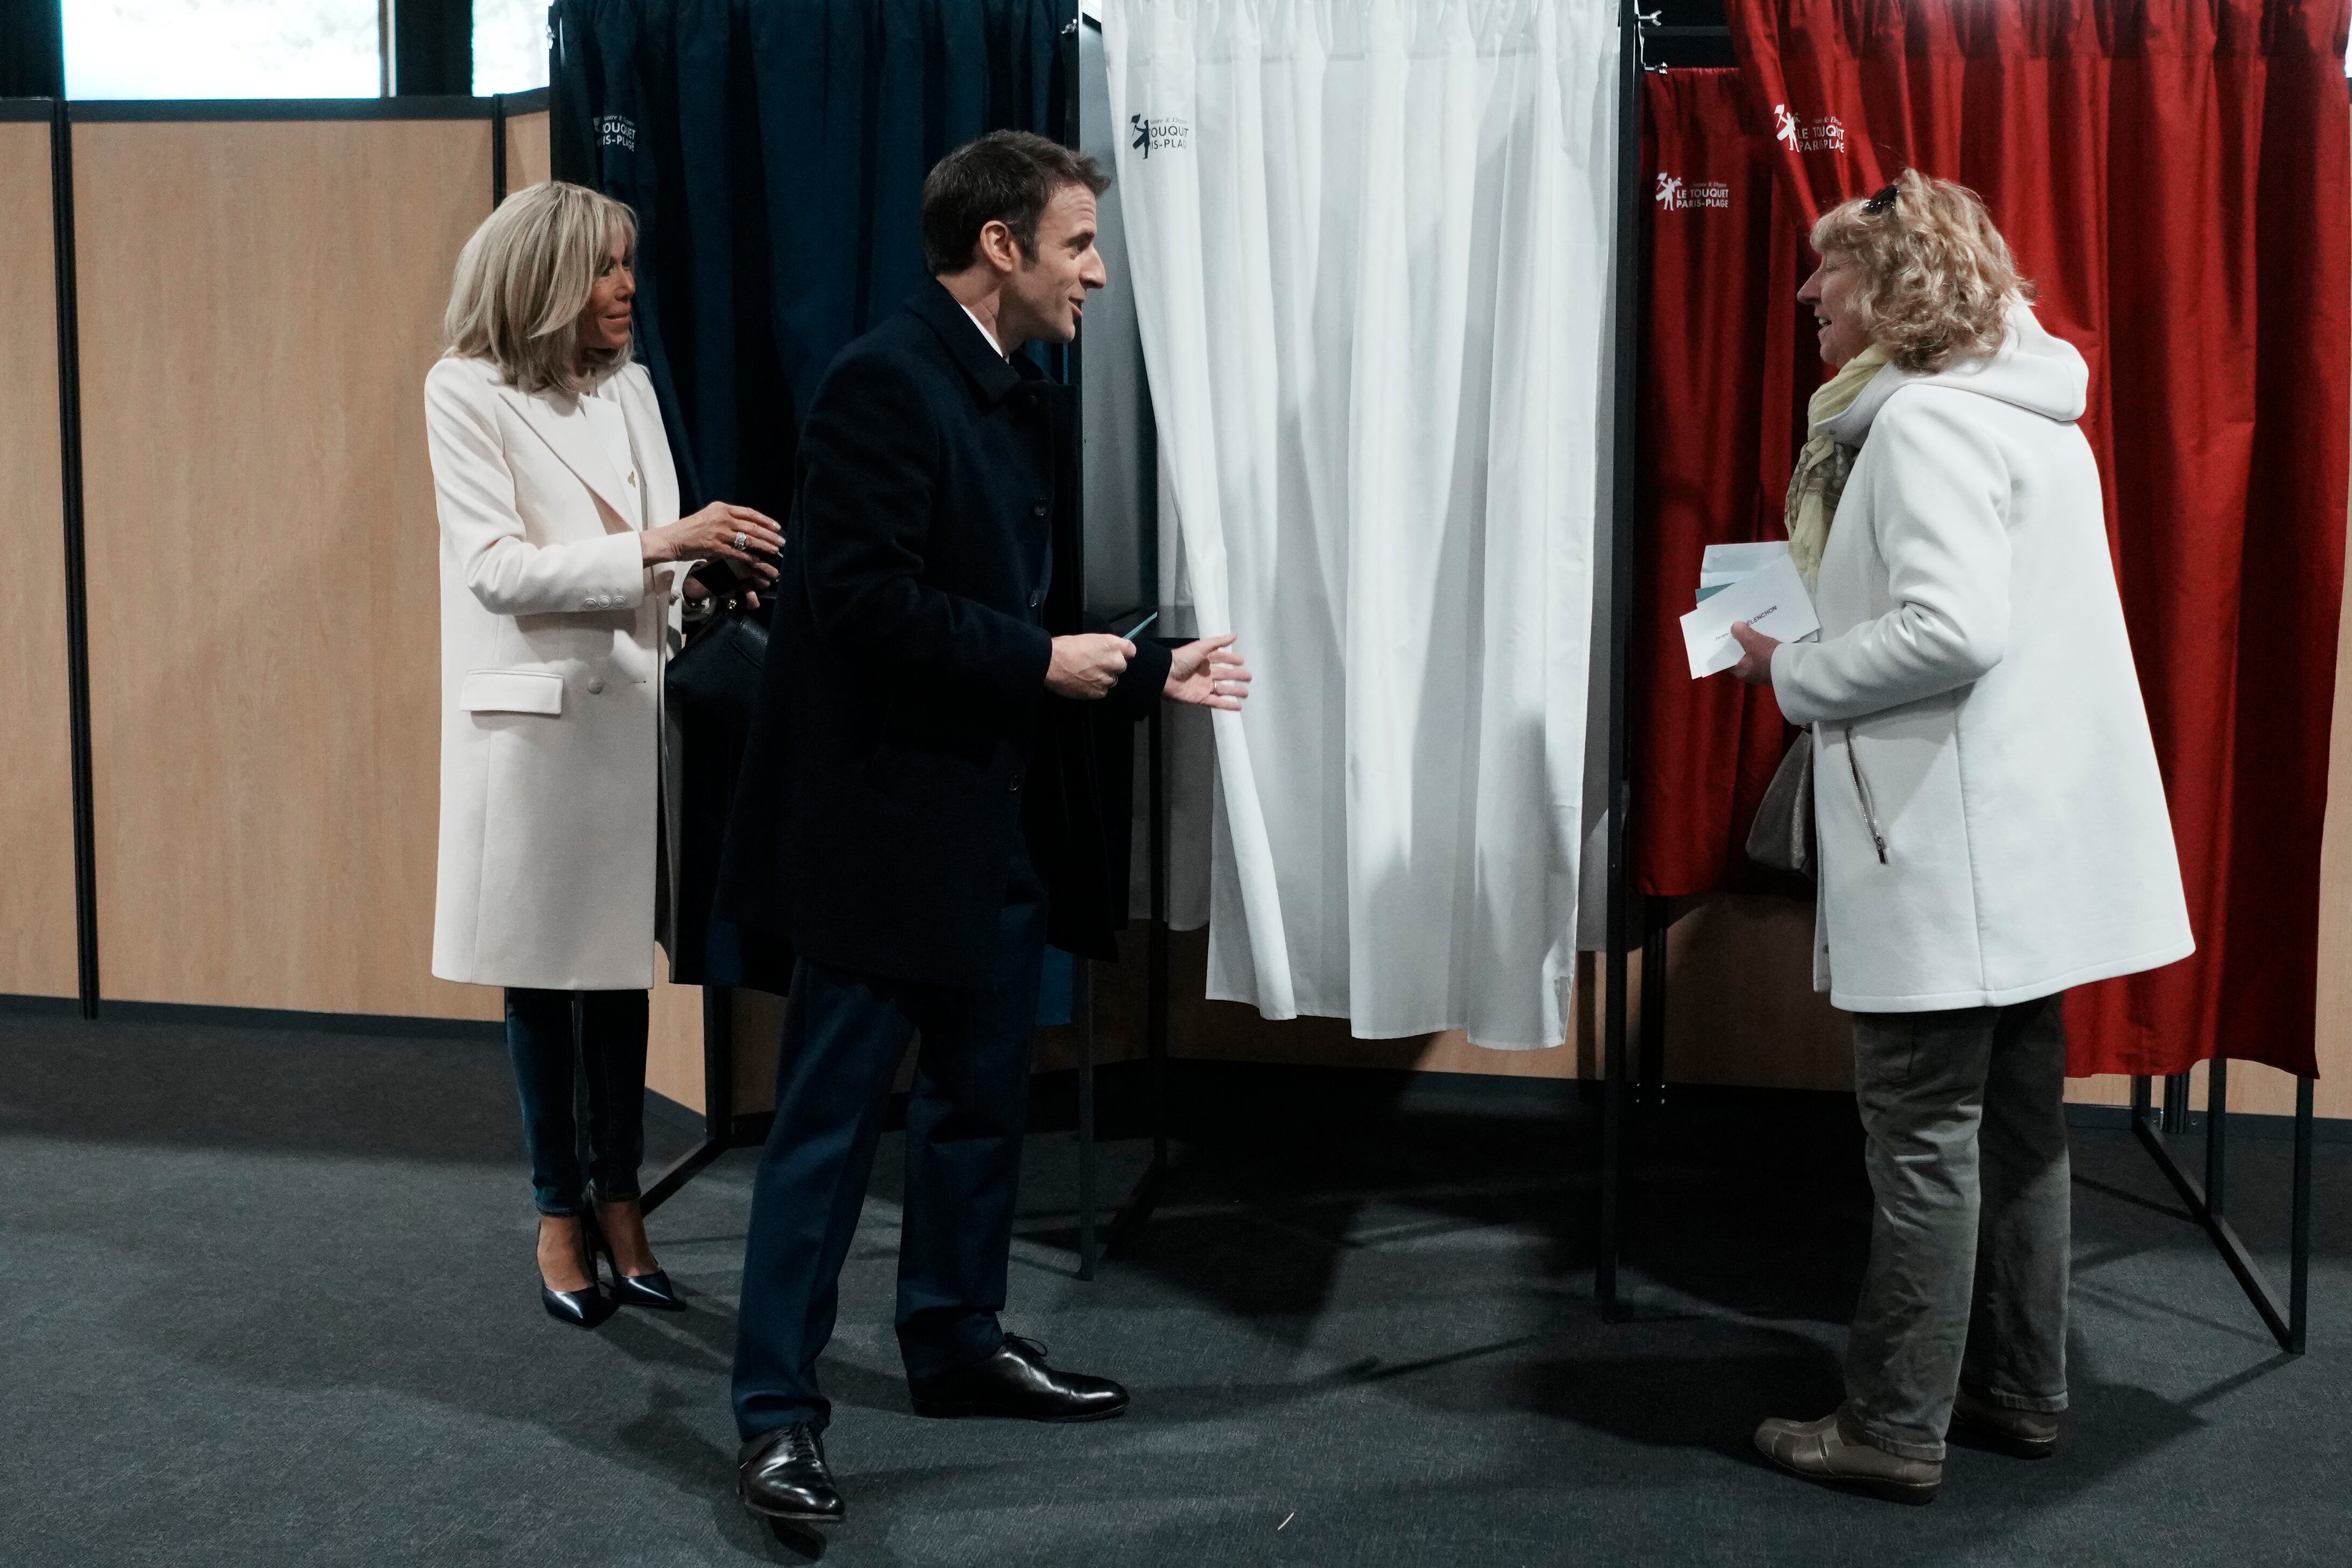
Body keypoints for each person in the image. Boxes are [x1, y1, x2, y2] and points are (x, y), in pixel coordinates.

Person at [715, 131, 1252, 1525]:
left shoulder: (1013, 388)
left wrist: (1145, 662)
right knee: (829, 1130)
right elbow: (865, 605)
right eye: (1078, 242)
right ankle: (776, 1415)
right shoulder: (884, 383)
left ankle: (953, 1340)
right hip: (886, 826)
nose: (1098, 269)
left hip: (994, 816)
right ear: (1001, 246)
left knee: (978, 1101)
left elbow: (1022, 621)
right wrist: (1047, 664)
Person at [1725, 171, 2193, 1503]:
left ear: (1894, 285)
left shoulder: (1924, 424)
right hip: (2024, 848)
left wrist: (1793, 670)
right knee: (2022, 1132)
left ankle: (1890, 1425)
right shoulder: (2036, 420)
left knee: (1925, 1137)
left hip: (1951, 849)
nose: (1811, 294)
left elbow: (1953, 631)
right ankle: (2017, 1392)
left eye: (1832, 273)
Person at [425, 181, 785, 1329]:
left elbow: (654, 567)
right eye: (604, 268)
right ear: (539, 281)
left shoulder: (628, 388)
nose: (628, 288)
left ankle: (623, 1201)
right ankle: (556, 1211)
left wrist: (702, 574)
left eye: (629, 264)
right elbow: (496, 567)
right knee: (543, 980)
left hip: (630, 719)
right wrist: (662, 543)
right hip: (535, 727)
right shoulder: (463, 390)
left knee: (621, 975)